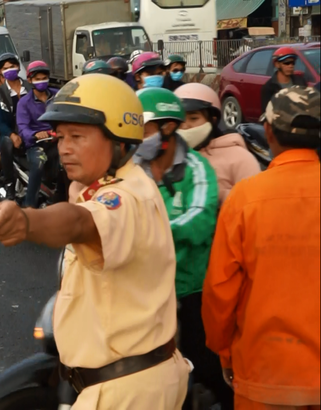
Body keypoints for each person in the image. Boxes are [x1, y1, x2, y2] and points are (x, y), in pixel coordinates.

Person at [0, 74, 190, 409]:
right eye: (61, 136)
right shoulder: (108, 184)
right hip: (117, 383)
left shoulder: (126, 198)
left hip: (125, 393)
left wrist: (27, 220)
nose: (64, 147)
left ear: (119, 140)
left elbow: (80, 223)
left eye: (78, 136)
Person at [203, 86, 321, 410]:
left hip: (265, 375)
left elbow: (220, 289)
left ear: (268, 130)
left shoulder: (245, 198)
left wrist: (224, 352)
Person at [133, 87, 222, 410]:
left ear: (168, 128)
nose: (137, 137)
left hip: (189, 286)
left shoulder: (197, 168)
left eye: (143, 128)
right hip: (144, 289)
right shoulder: (131, 169)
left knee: (206, 366)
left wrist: (150, 233)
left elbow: (200, 219)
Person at [175, 83, 260, 205]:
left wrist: (219, 195)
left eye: (193, 118)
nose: (185, 126)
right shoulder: (169, 157)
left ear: (213, 120)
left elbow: (254, 203)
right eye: (180, 120)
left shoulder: (239, 158)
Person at [16, 61, 60, 208]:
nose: (41, 81)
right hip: (36, 145)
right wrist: (36, 134)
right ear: (30, 80)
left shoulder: (58, 95)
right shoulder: (24, 102)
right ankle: (30, 206)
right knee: (39, 163)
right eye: (37, 79)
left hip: (58, 140)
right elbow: (23, 128)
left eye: (44, 78)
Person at [0, 53, 32, 200]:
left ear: (18, 67)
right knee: (6, 143)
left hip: (32, 129)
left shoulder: (29, 87)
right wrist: (12, 135)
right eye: (5, 68)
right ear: (1, 71)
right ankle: (9, 183)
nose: (9, 70)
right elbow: (0, 122)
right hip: (12, 132)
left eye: (12, 66)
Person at [260, 47, 306, 113]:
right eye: (287, 63)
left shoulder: (300, 82)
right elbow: (266, 114)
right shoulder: (269, 88)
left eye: (293, 63)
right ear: (277, 64)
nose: (291, 66)